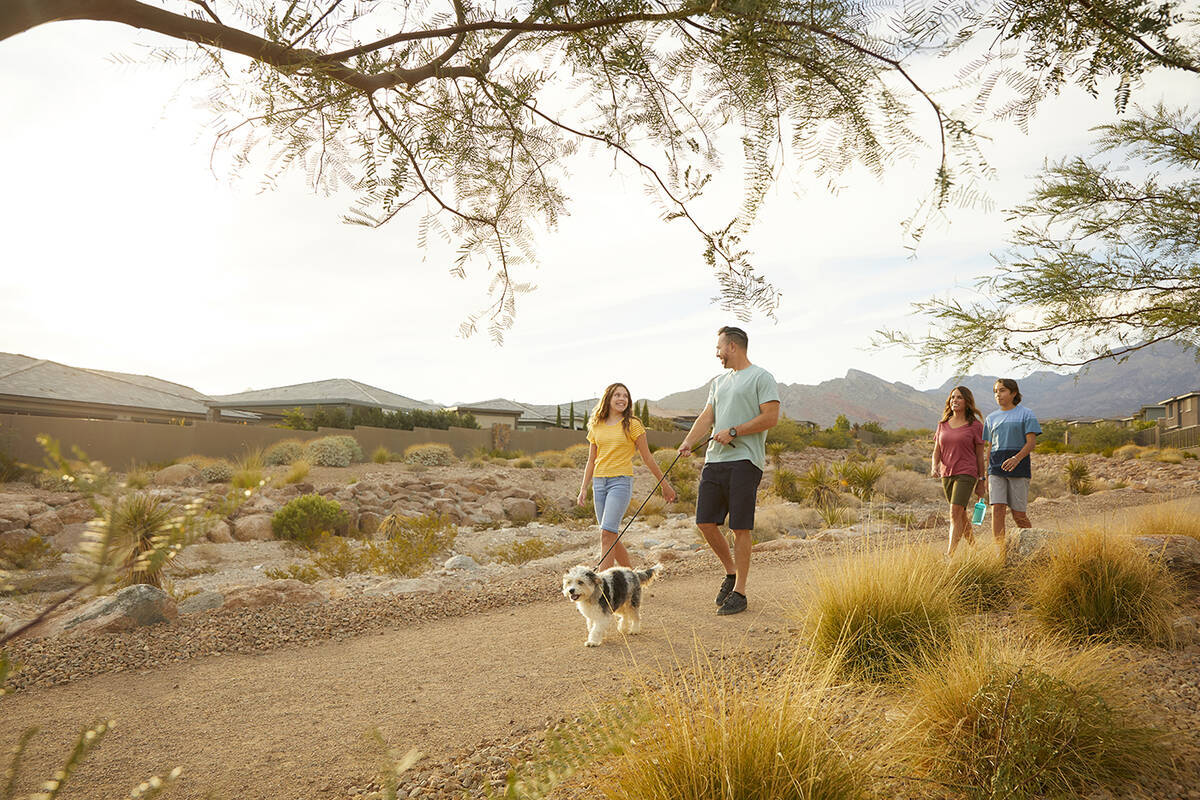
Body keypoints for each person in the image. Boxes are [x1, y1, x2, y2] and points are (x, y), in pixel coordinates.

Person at [678, 326, 780, 616]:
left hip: (745, 461)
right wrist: (688, 442)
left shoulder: (761, 376)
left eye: (719, 347)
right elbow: (706, 417)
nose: (717, 353)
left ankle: (741, 592)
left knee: (740, 526)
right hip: (715, 461)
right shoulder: (719, 382)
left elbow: (771, 417)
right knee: (705, 522)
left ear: (733, 346)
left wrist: (735, 431)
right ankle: (730, 571)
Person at [578, 382, 677, 570]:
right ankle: (632, 578)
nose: (622, 398)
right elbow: (591, 460)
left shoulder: (633, 425)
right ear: (608, 398)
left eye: (625, 396)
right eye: (617, 395)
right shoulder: (596, 425)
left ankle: (603, 591)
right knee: (610, 535)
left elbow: (647, 457)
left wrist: (665, 485)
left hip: (620, 483)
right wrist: (583, 488)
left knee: (607, 534)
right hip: (599, 484)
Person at [982, 378, 1041, 546]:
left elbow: (1031, 443)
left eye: (1002, 390)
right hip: (996, 469)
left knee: (1018, 515)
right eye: (995, 391)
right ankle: (1000, 552)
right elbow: (990, 446)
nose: (998, 395)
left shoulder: (1026, 414)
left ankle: (1033, 548)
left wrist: (1016, 458)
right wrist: (986, 474)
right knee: (997, 510)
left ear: (1013, 393)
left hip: (1019, 468)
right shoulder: (991, 418)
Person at [930, 386, 987, 557]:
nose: (955, 400)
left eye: (959, 397)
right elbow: (937, 450)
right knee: (960, 514)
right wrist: (934, 466)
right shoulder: (942, 425)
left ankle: (950, 555)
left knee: (954, 512)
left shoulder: (976, 426)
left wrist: (982, 480)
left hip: (966, 473)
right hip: (946, 473)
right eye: (953, 397)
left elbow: (979, 456)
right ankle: (975, 549)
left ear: (967, 401)